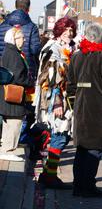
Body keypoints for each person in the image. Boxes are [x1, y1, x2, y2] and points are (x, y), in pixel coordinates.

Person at [67, 23, 102, 198]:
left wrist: (72, 107)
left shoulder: (76, 57)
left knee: (82, 148)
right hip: (99, 109)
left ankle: (78, 186)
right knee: (94, 148)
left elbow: (70, 86)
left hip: (81, 107)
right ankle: (88, 186)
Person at [34, 17, 77, 189]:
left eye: (71, 31)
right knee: (60, 136)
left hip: (67, 99)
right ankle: (50, 177)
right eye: (66, 30)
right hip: (56, 101)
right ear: (59, 30)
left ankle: (47, 174)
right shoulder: (52, 49)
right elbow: (49, 79)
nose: (69, 33)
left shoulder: (67, 48)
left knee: (63, 136)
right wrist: (57, 102)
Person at [0, 27, 35, 161]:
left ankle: (6, 148)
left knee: (9, 123)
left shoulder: (9, 51)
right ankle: (8, 150)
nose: (24, 40)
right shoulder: (14, 54)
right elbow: (18, 77)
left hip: (8, 94)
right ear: (14, 39)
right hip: (14, 95)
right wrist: (30, 82)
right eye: (21, 38)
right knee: (15, 122)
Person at [0, 0, 41, 79]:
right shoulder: (32, 27)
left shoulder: (2, 26)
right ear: (28, 9)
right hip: (25, 72)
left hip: (3, 71)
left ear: (15, 7)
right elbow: (35, 50)